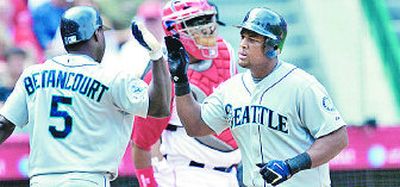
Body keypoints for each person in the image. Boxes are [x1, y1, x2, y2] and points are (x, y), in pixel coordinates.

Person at [168, 7, 349, 187]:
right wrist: (181, 80)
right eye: (243, 36)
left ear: (273, 48)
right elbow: (195, 126)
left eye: (253, 39)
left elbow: (337, 138)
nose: (243, 44)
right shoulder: (231, 89)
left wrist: (292, 166)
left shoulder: (302, 86)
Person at [0, 6, 173, 186]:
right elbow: (159, 107)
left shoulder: (33, 74)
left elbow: (4, 124)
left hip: (42, 181)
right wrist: (157, 55)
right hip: (88, 179)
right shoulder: (111, 78)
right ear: (97, 34)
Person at [131, 0, 241, 187]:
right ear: (174, 30)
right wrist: (148, 183)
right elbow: (141, 143)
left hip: (231, 173)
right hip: (187, 174)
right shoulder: (162, 73)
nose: (207, 28)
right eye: (197, 22)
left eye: (208, 19)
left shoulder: (226, 52)